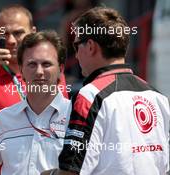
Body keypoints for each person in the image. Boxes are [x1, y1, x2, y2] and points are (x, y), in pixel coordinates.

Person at [42, 7, 170, 175]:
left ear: (90, 46)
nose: (77, 55)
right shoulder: (158, 97)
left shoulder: (90, 95)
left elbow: (72, 170)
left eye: (76, 44)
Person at [0, 4, 69, 136]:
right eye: (4, 34)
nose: (11, 41)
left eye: (18, 33)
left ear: (33, 33)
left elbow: (62, 120)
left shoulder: (51, 73)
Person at [0, 30, 71, 175]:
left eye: (47, 64)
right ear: (21, 70)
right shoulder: (1, 120)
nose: (39, 71)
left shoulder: (78, 120)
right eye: (32, 64)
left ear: (60, 69)